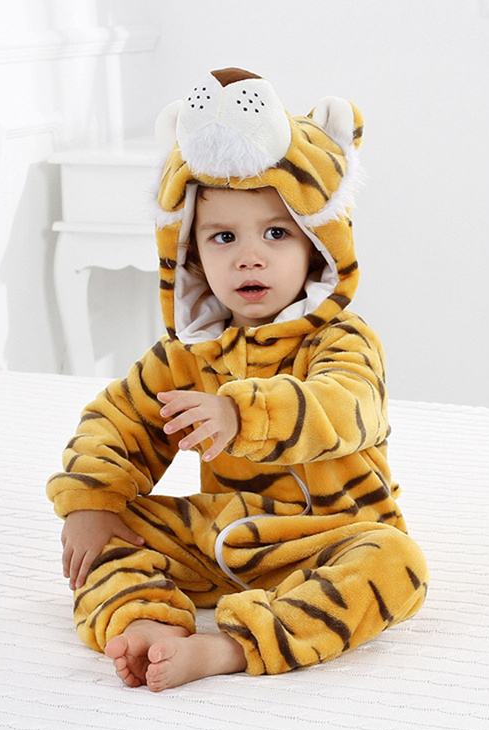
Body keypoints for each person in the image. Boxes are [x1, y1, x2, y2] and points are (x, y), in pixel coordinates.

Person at [47, 67, 428, 692]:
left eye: (276, 233)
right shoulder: (186, 354)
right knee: (108, 532)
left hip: (327, 535)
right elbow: (119, 418)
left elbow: (348, 406)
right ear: (192, 254)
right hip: (221, 532)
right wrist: (91, 501)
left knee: (396, 563)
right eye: (223, 237)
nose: (250, 256)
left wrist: (239, 413)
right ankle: (144, 620)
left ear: (316, 245)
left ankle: (231, 646)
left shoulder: (341, 340)